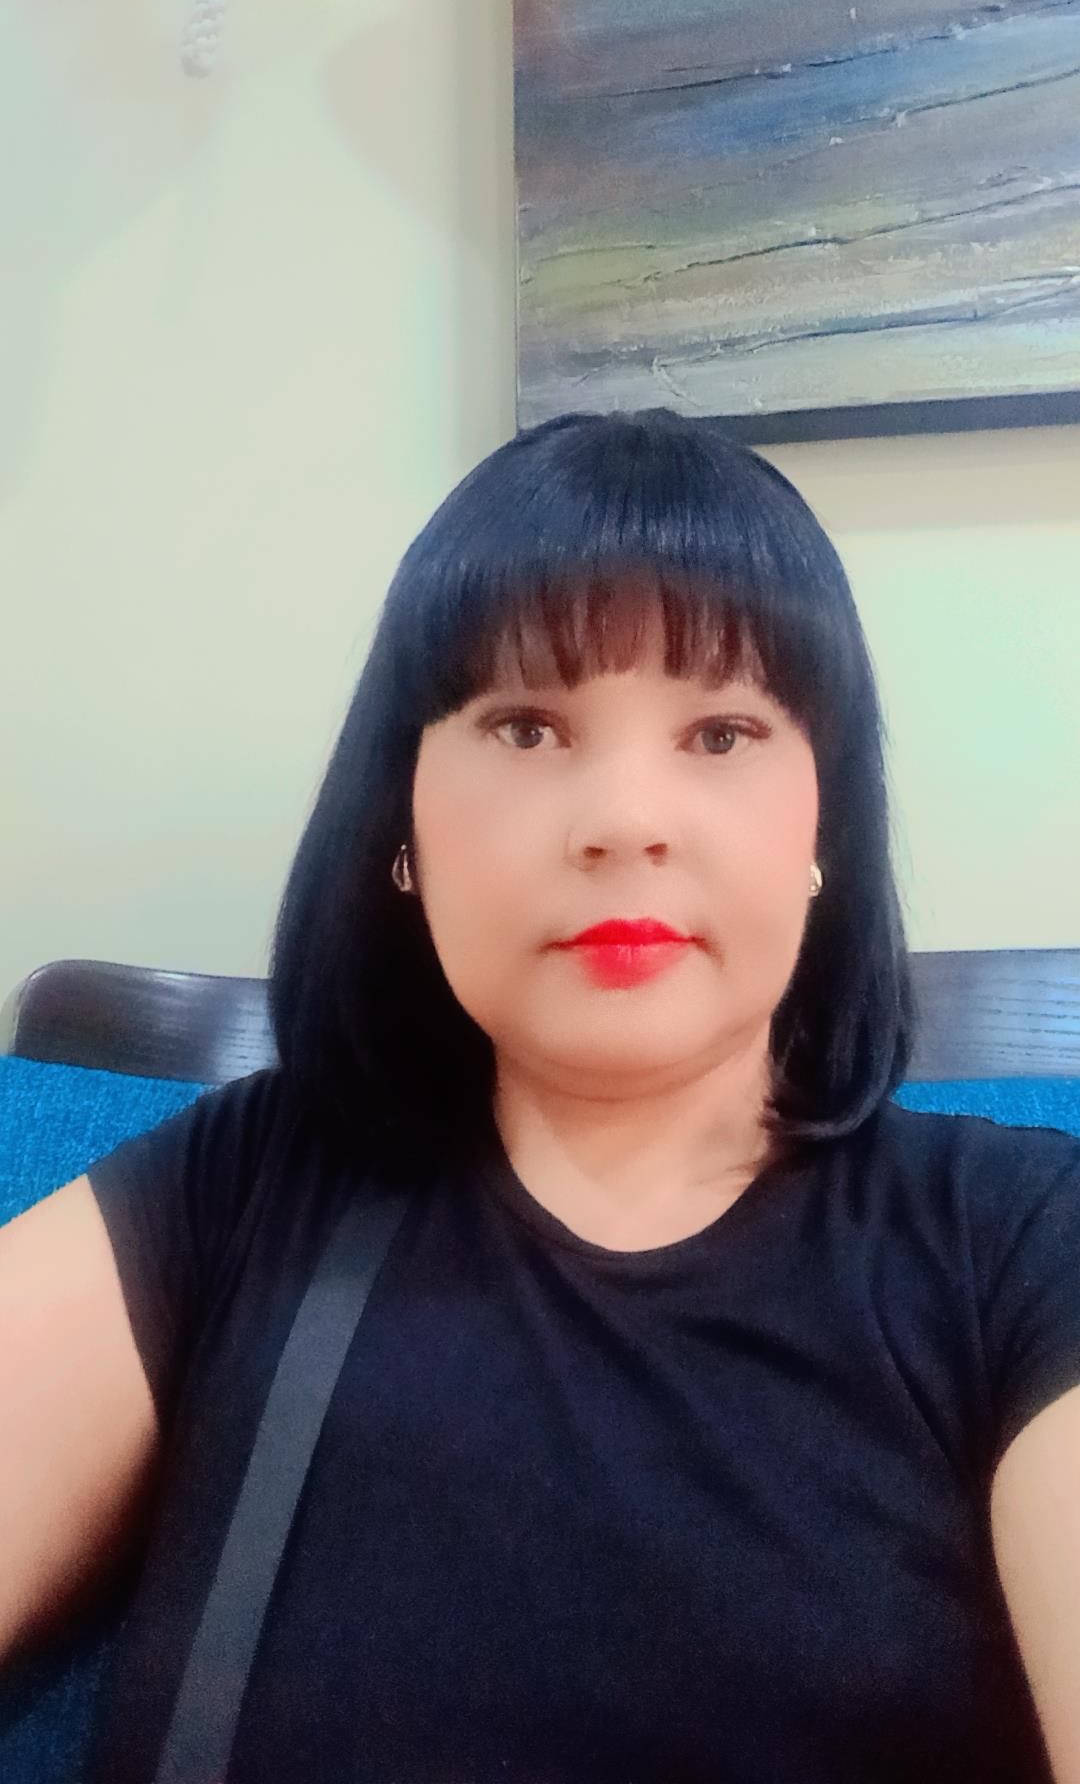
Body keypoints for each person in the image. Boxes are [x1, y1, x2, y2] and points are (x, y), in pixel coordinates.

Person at [2, 406, 1079, 1783]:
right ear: (402, 830)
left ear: (825, 832)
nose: (625, 819)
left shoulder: (1024, 1244)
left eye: (722, 732)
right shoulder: (237, 1188)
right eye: (526, 726)